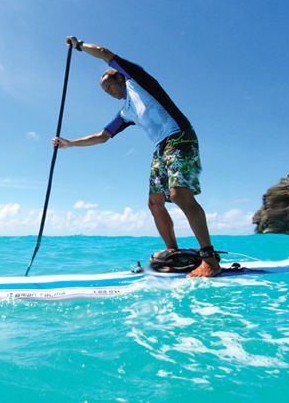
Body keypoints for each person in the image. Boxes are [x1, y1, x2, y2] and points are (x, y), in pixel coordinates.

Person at [53, 36, 221, 277]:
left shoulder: (137, 80)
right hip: (161, 147)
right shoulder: (126, 111)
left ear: (119, 77)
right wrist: (69, 144)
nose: (108, 92)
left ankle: (209, 259)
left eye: (109, 86)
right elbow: (102, 136)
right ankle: (172, 251)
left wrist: (78, 46)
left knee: (179, 194)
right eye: (105, 91)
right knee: (154, 202)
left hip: (180, 137)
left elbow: (103, 52)